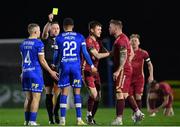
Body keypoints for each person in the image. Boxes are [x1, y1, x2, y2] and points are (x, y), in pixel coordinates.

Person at [53, 18, 97, 126]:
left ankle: (62, 120)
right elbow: (85, 53)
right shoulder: (79, 37)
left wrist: (54, 64)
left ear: (63, 27)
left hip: (64, 67)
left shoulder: (58, 38)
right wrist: (91, 65)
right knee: (77, 93)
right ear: (73, 26)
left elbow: (56, 54)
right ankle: (79, 119)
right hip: (76, 67)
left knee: (64, 93)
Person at [19, 23, 58, 126]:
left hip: (25, 73)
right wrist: (51, 72)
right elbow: (42, 61)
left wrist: (22, 72)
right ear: (35, 32)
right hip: (35, 73)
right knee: (36, 98)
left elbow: (23, 61)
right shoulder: (38, 43)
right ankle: (32, 121)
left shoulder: (22, 44)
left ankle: (26, 121)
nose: (40, 32)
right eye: (39, 30)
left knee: (28, 98)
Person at [108, 19, 144, 125]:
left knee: (119, 93)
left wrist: (119, 70)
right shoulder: (123, 38)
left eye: (110, 26)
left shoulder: (121, 40)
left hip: (123, 70)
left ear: (116, 27)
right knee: (125, 93)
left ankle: (119, 119)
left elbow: (124, 56)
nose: (109, 28)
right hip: (125, 69)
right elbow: (131, 53)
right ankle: (138, 112)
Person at [82, 21, 110, 125]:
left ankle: (91, 118)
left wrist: (113, 53)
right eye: (98, 29)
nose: (100, 31)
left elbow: (107, 53)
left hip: (95, 72)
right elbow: (97, 55)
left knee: (98, 97)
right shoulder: (88, 41)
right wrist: (110, 53)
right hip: (87, 71)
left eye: (100, 29)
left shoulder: (98, 42)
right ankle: (88, 115)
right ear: (91, 30)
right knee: (94, 94)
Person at [41, 13, 61, 124]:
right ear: (50, 30)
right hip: (47, 69)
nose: (56, 30)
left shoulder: (61, 40)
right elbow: (44, 33)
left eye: (58, 28)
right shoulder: (46, 39)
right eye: (54, 28)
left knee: (62, 91)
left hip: (58, 69)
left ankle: (56, 112)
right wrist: (49, 22)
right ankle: (50, 119)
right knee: (48, 93)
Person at [129, 34, 154, 109]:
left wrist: (151, 75)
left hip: (139, 78)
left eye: (135, 41)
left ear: (139, 42)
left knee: (138, 96)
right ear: (129, 42)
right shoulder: (126, 52)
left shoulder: (144, 53)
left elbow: (149, 64)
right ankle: (136, 111)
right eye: (132, 41)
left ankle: (138, 115)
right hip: (129, 78)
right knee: (129, 96)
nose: (134, 42)